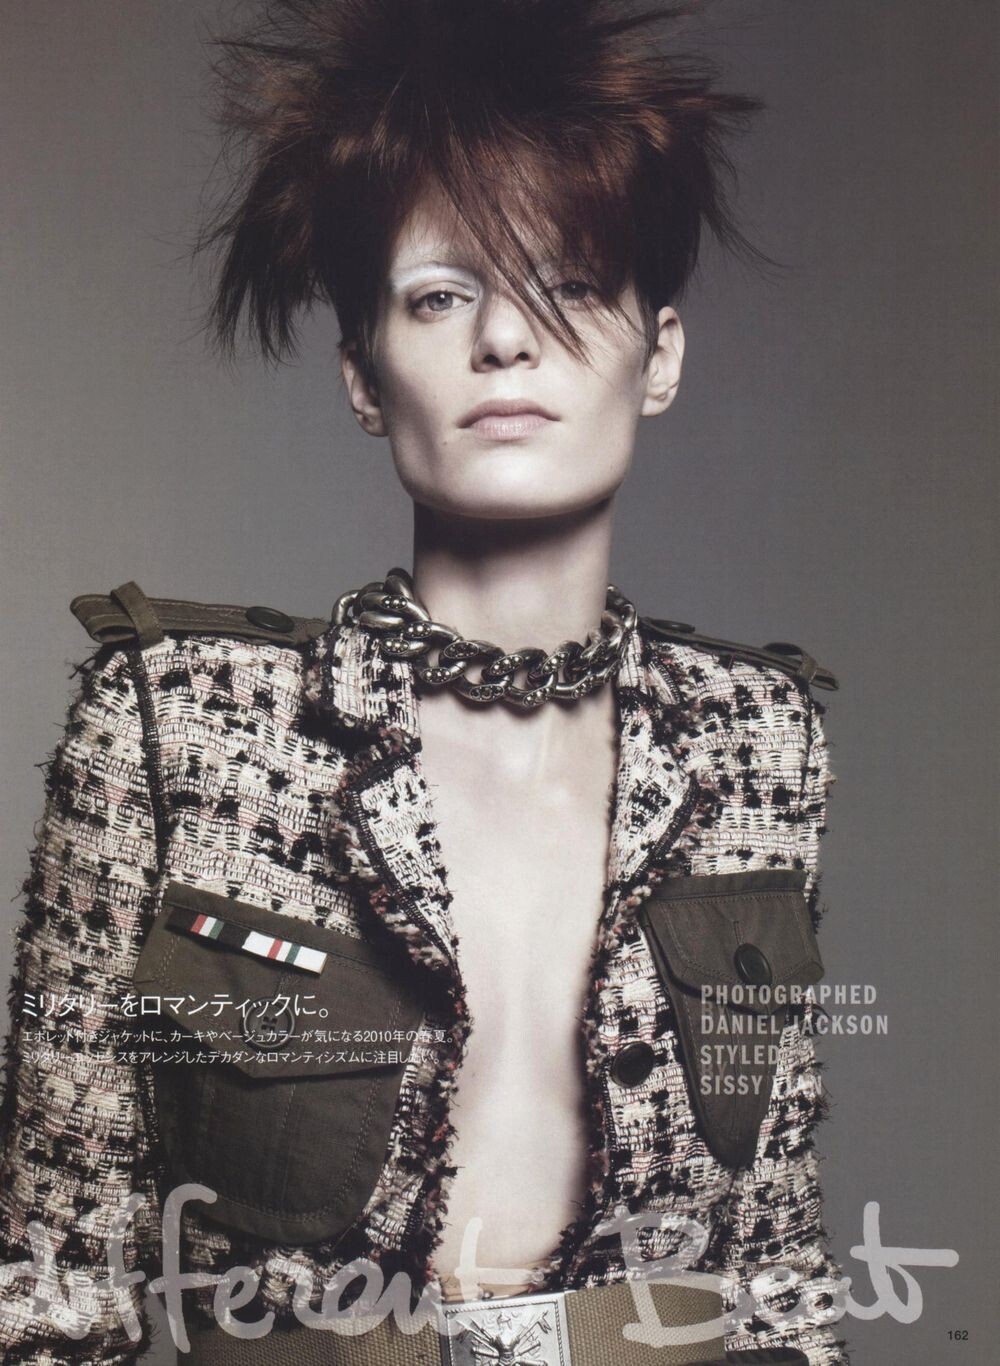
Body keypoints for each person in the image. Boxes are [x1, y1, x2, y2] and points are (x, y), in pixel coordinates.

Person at [0, 1, 848, 1362]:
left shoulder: (760, 742)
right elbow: (52, 1290)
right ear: (362, 375)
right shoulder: (177, 723)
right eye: (441, 295)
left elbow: (780, 1274)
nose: (505, 340)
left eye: (571, 283)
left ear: (663, 356)